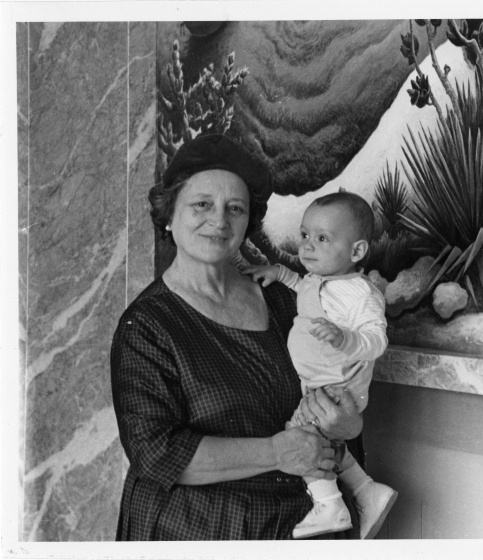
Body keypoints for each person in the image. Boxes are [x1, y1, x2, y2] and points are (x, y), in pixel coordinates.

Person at [110, 133, 364, 540]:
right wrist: (277, 452)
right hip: (196, 531)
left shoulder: (285, 302)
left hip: (302, 527)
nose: (219, 220)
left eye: (235, 208)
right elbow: (155, 453)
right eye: (201, 205)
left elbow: (332, 384)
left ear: (248, 222)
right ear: (169, 214)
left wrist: (348, 425)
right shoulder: (147, 326)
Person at [240, 191, 398, 539]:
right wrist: (278, 271)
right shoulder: (321, 279)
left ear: (356, 252)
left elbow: (377, 339)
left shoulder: (360, 293)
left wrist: (346, 339)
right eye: (305, 235)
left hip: (338, 385)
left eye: (322, 239)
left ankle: (329, 505)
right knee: (321, 437)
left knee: (300, 435)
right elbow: (303, 288)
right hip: (320, 381)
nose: (307, 246)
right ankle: (367, 491)